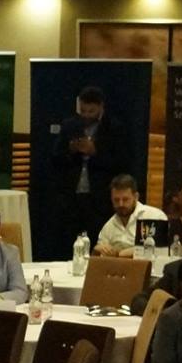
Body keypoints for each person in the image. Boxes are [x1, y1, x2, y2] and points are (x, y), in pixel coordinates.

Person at [51, 86, 131, 244]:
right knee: (69, 239)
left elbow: (122, 162)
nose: (86, 115)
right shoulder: (70, 125)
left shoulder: (114, 128)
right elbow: (55, 158)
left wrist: (95, 152)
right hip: (72, 195)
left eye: (91, 111)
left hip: (99, 196)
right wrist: (71, 150)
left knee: (97, 239)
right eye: (83, 111)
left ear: (101, 107)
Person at [91, 174, 166, 256]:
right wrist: (97, 249)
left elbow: (160, 250)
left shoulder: (155, 216)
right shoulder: (109, 226)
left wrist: (121, 254)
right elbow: (97, 255)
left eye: (125, 199)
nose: (121, 204)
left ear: (136, 197)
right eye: (116, 200)